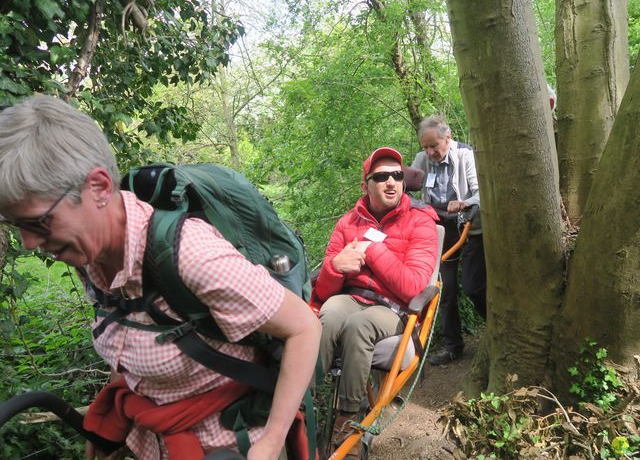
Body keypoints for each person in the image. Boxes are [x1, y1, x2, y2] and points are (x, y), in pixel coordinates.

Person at [0, 95, 321, 460]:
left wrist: (271, 441)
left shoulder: (192, 255)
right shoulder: (90, 258)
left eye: (38, 222)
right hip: (153, 439)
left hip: (229, 443)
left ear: (100, 188)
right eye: (15, 225)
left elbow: (304, 329)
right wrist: (103, 436)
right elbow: (130, 344)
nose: (28, 243)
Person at [315, 147, 439, 457]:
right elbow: (323, 292)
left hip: (393, 309)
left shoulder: (420, 222)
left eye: (397, 176)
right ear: (365, 185)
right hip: (350, 297)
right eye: (380, 176)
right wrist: (334, 267)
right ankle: (306, 404)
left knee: (359, 325)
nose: (390, 182)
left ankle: (348, 420)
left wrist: (371, 249)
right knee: (329, 313)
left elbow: (413, 288)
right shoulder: (347, 223)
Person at [411, 114, 486, 366]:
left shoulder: (465, 155)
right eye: (425, 147)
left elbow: (481, 192)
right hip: (440, 231)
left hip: (470, 227)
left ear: (448, 138)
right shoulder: (422, 160)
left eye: (434, 145)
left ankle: (497, 332)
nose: (430, 152)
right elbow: (410, 186)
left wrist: (464, 203)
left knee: (474, 286)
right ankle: (454, 346)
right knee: (445, 290)